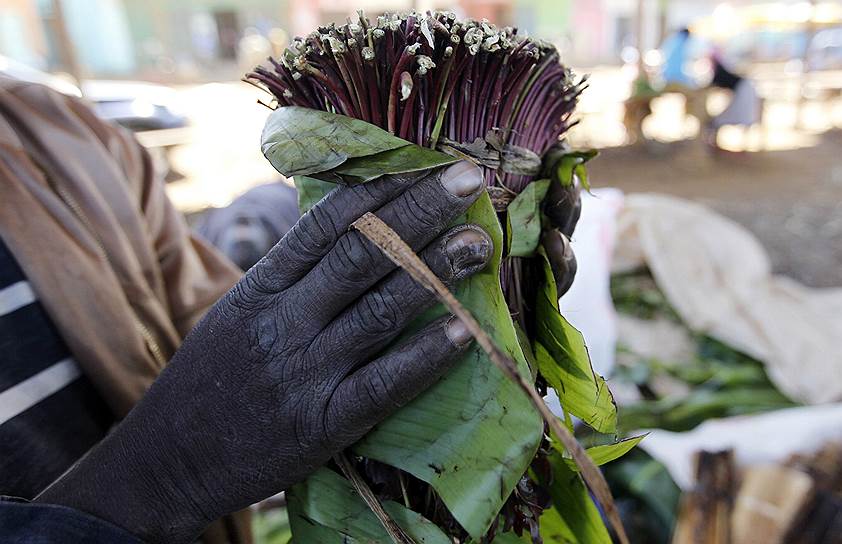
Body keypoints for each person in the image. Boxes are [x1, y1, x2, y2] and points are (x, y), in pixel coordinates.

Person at [0, 76, 580, 542]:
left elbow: (211, 325)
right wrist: (169, 472)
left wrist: (510, 295)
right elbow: (217, 396)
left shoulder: (64, 139)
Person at [705, 52, 762, 149]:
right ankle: (715, 141)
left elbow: (711, 85)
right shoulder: (720, 70)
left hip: (744, 90)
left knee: (735, 116)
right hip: (745, 89)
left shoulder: (719, 71)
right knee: (739, 116)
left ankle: (714, 142)